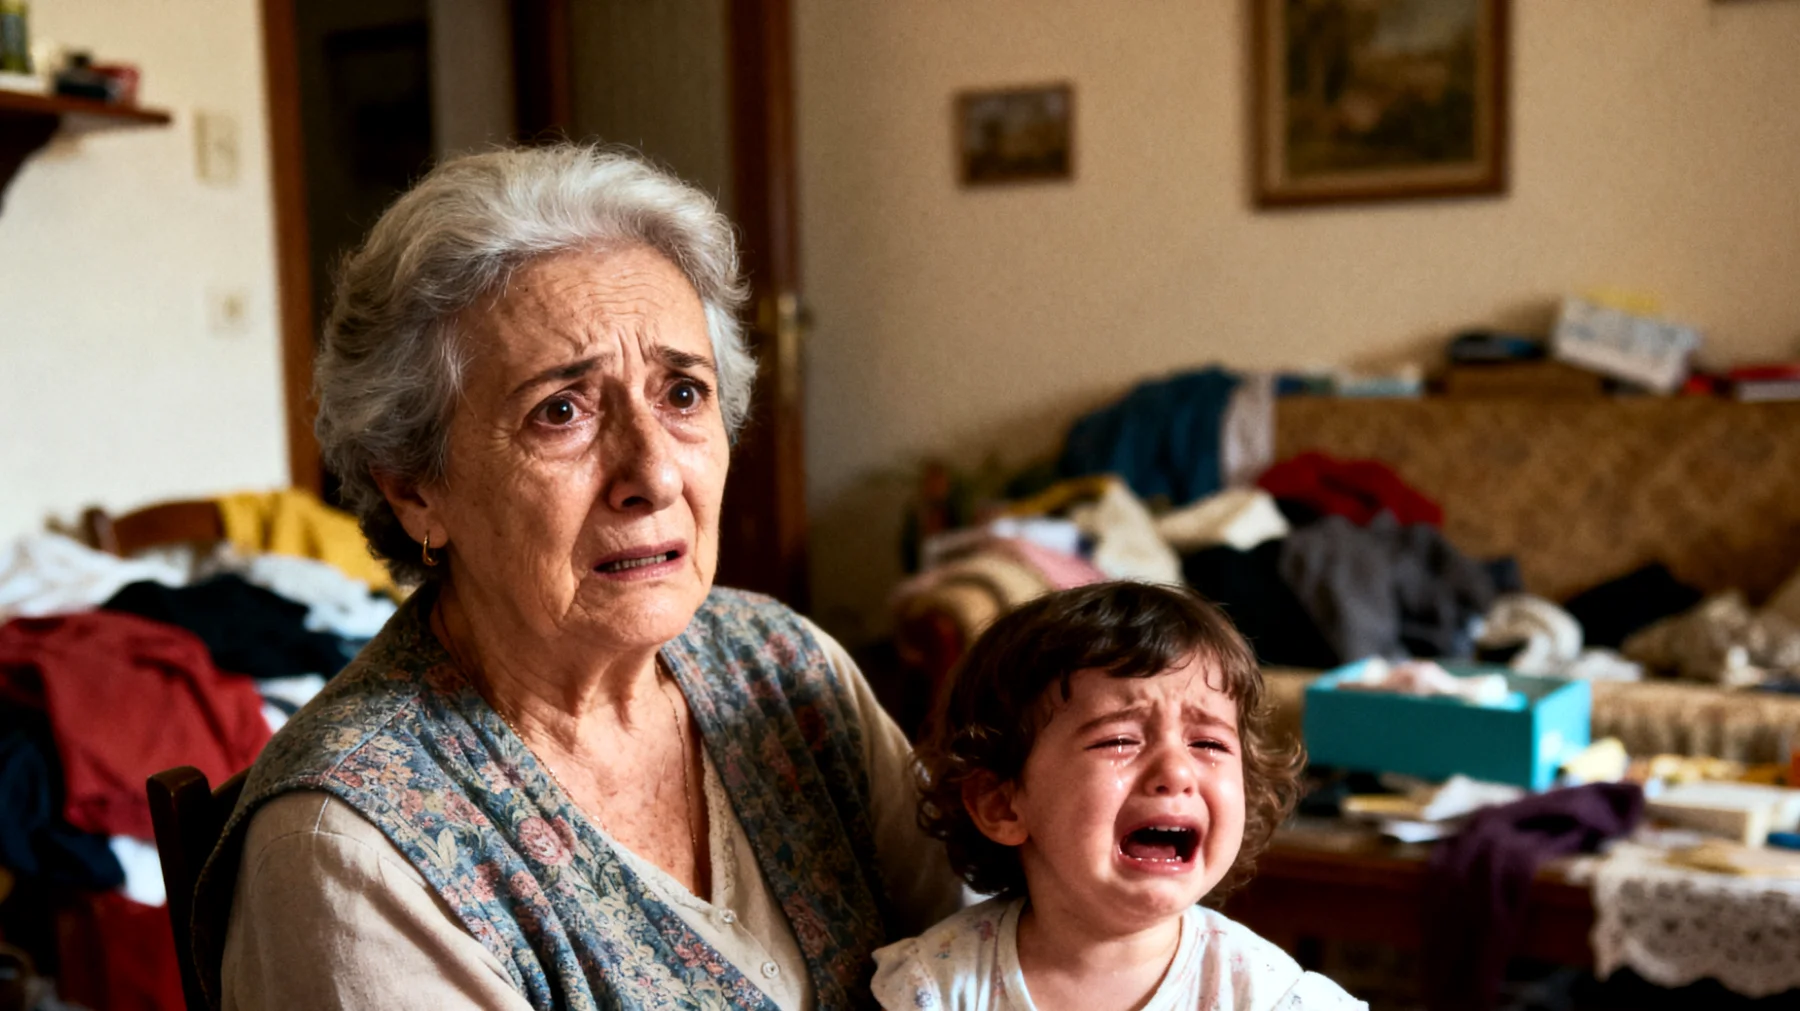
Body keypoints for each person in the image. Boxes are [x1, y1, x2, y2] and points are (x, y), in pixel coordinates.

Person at [196, 145, 961, 1010]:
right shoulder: (355, 850)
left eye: (682, 394)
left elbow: (991, 947)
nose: (656, 475)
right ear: (414, 486)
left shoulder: (780, 664)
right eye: (560, 410)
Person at [874, 582, 1366, 1010]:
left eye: (1209, 743)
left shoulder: (1267, 995)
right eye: (1119, 740)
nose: (1175, 771)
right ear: (1001, 804)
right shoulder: (939, 987)